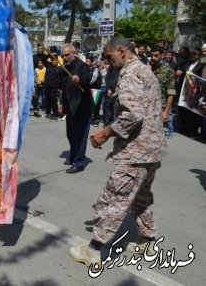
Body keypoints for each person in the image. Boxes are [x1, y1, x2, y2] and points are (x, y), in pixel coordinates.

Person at [69, 37, 166, 268]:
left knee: (114, 198)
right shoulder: (145, 70)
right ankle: (148, 241)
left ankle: (94, 250)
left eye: (110, 56)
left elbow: (133, 114)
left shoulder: (131, 73)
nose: (108, 61)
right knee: (141, 197)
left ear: (121, 51)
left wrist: (106, 132)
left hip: (137, 152)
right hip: (151, 151)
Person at [60, 44, 92, 173]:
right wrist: (62, 103)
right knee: (71, 134)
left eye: (67, 55)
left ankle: (79, 162)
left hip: (82, 107)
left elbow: (86, 78)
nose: (65, 57)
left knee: (80, 136)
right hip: (70, 107)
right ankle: (73, 155)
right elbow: (64, 88)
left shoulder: (82, 66)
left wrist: (79, 79)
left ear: (74, 53)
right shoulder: (65, 68)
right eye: (63, 55)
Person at [149, 46, 175, 139]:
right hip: (146, 107)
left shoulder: (168, 70)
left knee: (156, 138)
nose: (153, 58)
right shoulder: (147, 68)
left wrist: (166, 112)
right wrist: (148, 68)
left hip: (160, 107)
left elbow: (171, 93)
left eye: (156, 55)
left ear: (162, 55)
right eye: (152, 56)